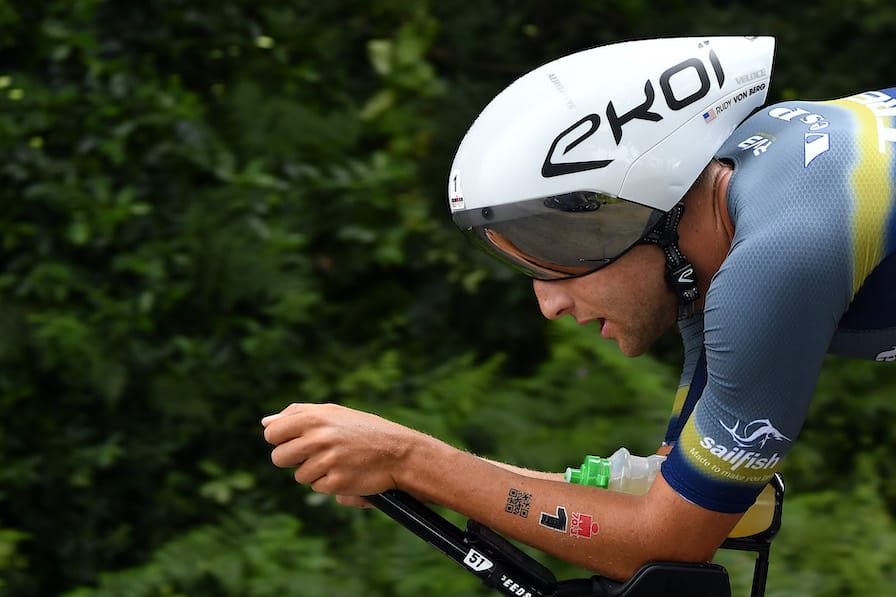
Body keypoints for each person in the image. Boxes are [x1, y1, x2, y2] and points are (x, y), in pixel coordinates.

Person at [262, 36, 896, 580]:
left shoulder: (774, 259)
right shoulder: (746, 212)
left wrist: (412, 459)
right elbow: (696, 500)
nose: (547, 300)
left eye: (555, 249)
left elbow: (669, 539)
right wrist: (424, 478)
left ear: (649, 204)